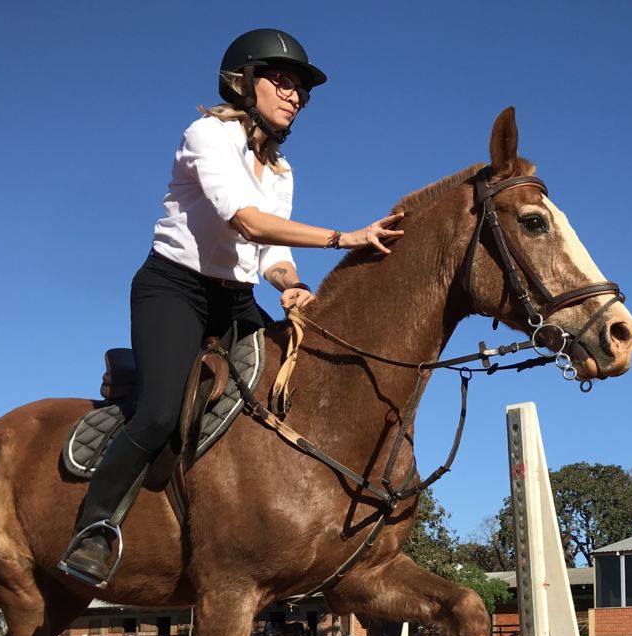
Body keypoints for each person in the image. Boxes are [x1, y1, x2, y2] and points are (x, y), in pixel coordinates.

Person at [59, 28, 404, 587]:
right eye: (284, 82)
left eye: (302, 90)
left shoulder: (284, 172)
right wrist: (348, 237)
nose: (295, 96)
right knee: (159, 413)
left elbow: (270, 252)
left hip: (236, 298)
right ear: (244, 82)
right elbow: (244, 219)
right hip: (173, 289)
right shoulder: (208, 134)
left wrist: (289, 284)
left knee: (293, 384)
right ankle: (94, 529)